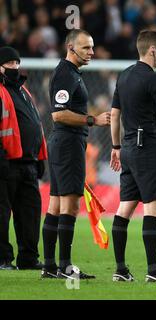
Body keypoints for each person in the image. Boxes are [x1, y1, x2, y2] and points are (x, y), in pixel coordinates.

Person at [109, 30, 156, 282]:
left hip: (127, 147)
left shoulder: (124, 75)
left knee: (125, 207)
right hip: (147, 148)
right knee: (152, 207)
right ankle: (153, 271)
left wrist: (116, 146)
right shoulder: (153, 80)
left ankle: (120, 270)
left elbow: (115, 114)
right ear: (152, 50)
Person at [41, 30, 111, 280]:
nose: (91, 52)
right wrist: (93, 119)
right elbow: (58, 114)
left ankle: (50, 266)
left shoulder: (70, 73)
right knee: (70, 205)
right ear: (70, 47)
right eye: (86, 48)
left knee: (56, 204)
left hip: (66, 143)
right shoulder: (65, 74)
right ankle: (65, 267)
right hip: (68, 144)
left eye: (92, 47)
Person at [0, 46, 47, 270]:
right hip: (6, 163)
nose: (15, 68)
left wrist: (40, 157)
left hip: (27, 163)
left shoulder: (23, 91)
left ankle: (28, 258)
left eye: (16, 63)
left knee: (30, 213)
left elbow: (36, 125)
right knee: (1, 214)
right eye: (10, 64)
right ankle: (2, 259)